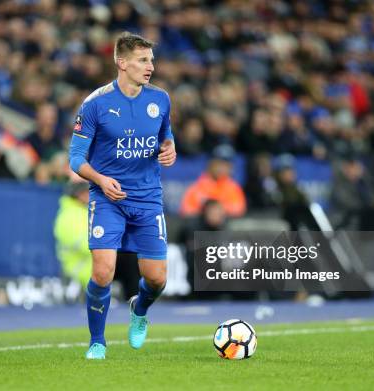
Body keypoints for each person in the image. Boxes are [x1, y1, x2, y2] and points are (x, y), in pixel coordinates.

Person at [68, 32, 176, 359]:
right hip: (108, 199)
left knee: (156, 279)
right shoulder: (95, 104)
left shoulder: (161, 100)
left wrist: (169, 149)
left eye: (152, 60)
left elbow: (165, 138)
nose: (151, 67)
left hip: (147, 199)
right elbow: (75, 159)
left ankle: (139, 310)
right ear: (122, 62)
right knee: (103, 272)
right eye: (143, 60)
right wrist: (101, 180)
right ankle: (97, 342)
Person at [179, 144, 247, 217]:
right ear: (211, 163)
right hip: (201, 227)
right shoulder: (197, 187)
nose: (222, 168)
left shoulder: (233, 188)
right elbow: (186, 210)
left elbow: (239, 209)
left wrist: (219, 210)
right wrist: (206, 212)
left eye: (226, 164)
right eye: (219, 163)